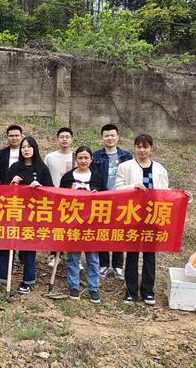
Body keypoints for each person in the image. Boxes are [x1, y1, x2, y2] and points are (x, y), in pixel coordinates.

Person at [0, 136, 53, 294]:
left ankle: (28, 281)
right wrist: (12, 183)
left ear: (35, 148)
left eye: (29, 147)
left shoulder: (42, 168)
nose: (26, 150)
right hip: (14, 212)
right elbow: (4, 190)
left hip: (32, 215)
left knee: (29, 248)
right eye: (23, 147)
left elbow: (51, 191)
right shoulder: (15, 167)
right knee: (7, 246)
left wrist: (40, 187)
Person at [114, 133, 169, 305]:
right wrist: (133, 187)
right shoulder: (125, 167)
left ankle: (148, 292)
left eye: (145, 147)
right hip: (133, 215)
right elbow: (117, 189)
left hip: (153, 216)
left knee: (150, 255)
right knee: (132, 254)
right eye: (139, 146)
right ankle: (131, 292)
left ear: (151, 148)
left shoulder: (159, 169)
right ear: (134, 148)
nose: (142, 150)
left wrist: (183, 197)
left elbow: (166, 192)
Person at [60, 146, 106, 303]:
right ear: (75, 159)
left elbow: (107, 198)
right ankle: (73, 286)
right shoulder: (67, 177)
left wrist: (98, 196)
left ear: (91, 159)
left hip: (92, 224)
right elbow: (58, 199)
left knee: (93, 258)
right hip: (73, 223)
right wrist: (69, 194)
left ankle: (94, 288)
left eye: (86, 158)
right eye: (80, 157)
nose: (83, 161)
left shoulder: (97, 177)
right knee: (73, 257)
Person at [92, 123, 132, 281]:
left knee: (118, 232)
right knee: (102, 231)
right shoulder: (96, 156)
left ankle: (117, 265)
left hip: (121, 199)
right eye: (106, 135)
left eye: (112, 135)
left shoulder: (126, 156)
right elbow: (93, 177)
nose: (109, 138)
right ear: (102, 138)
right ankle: (103, 264)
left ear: (118, 137)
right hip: (102, 199)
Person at [44, 127, 75, 268]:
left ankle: (74, 256)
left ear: (72, 139)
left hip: (72, 197)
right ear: (57, 139)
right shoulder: (50, 157)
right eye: (62, 137)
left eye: (67, 137)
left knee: (72, 226)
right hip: (54, 196)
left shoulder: (76, 156)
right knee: (55, 227)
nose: (64, 139)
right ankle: (54, 254)